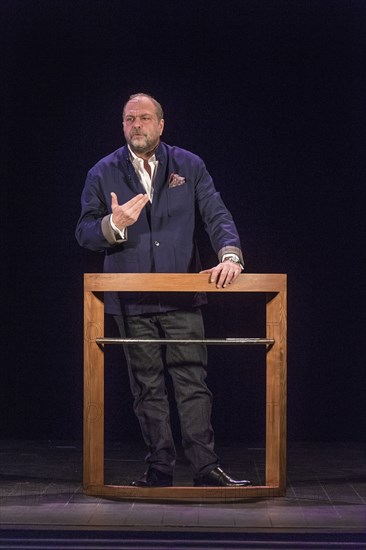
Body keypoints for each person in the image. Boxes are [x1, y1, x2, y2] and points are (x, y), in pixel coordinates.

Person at [76, 93, 251, 488]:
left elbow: (216, 214)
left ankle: (206, 468)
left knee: (192, 383)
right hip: (131, 301)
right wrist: (113, 224)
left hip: (181, 298)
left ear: (160, 124)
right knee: (146, 386)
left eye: (143, 118)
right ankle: (159, 467)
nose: (135, 125)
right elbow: (84, 232)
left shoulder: (189, 165)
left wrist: (230, 256)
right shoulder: (102, 172)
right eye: (128, 119)